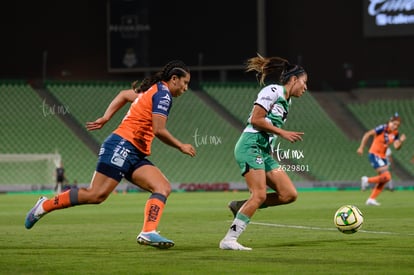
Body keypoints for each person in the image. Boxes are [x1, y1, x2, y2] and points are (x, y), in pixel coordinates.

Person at [25, 60, 196, 249]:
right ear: (174, 79)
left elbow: (124, 95)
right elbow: (159, 129)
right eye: (185, 82)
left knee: (162, 187)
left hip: (135, 152)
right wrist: (181, 145)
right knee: (96, 195)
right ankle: (44, 205)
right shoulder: (163, 95)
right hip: (122, 145)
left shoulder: (153, 90)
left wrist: (107, 117)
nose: (186, 88)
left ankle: (148, 232)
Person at [219, 54, 308, 250]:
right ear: (293, 80)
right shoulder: (273, 90)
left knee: (289, 194)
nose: (305, 87)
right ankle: (229, 240)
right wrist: (282, 132)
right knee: (259, 195)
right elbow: (256, 119)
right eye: (304, 82)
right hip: (250, 146)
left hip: (263, 151)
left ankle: (239, 206)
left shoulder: (287, 101)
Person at [357, 113, 406, 206]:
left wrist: (401, 141)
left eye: (397, 125)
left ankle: (371, 199)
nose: (395, 126)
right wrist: (361, 147)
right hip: (374, 154)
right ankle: (366, 180)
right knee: (387, 176)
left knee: (384, 179)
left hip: (382, 157)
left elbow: (396, 147)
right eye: (394, 123)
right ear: (389, 122)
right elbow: (367, 134)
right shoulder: (382, 128)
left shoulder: (395, 133)